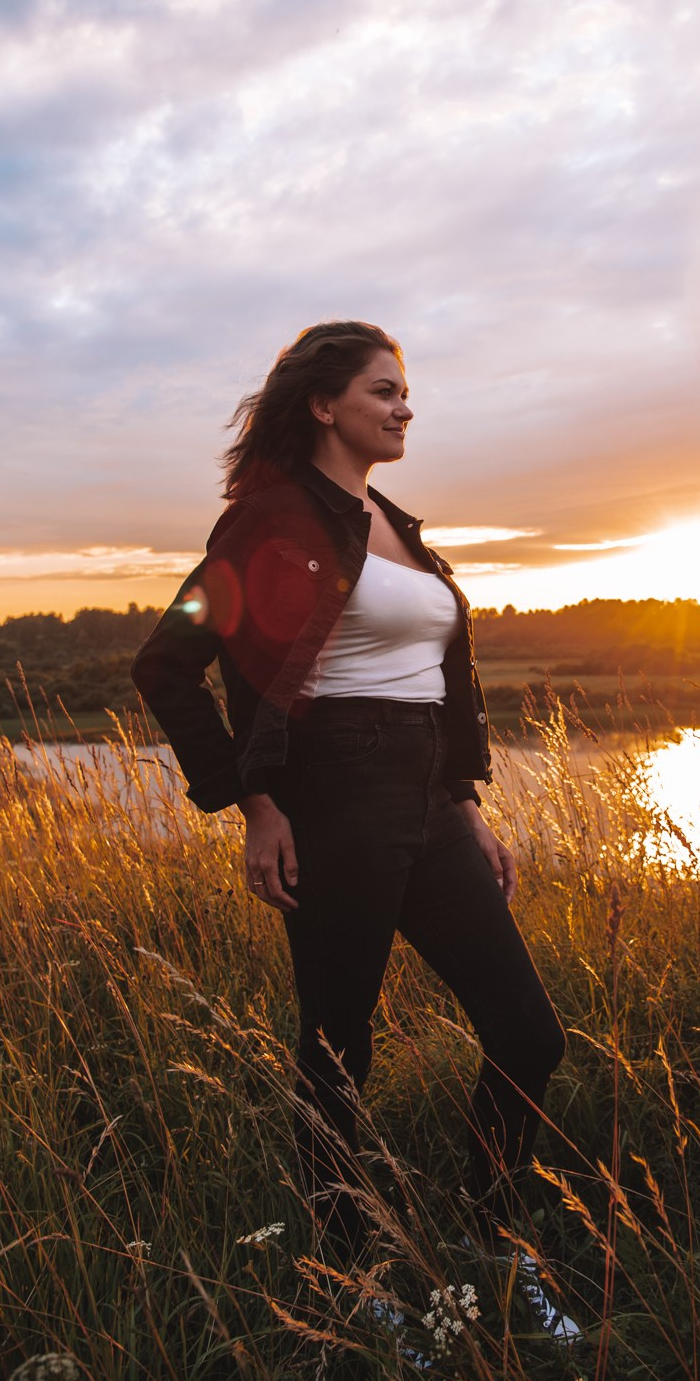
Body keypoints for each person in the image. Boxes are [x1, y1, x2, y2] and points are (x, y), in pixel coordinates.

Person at [131, 321, 576, 1346]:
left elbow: (437, 680)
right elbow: (167, 664)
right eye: (384, 389)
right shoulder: (272, 521)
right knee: (339, 1052)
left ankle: (492, 1247)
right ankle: (347, 1280)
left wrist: (466, 802)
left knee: (528, 1034)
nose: (405, 406)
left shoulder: (398, 525)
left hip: (430, 800)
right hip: (332, 795)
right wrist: (254, 802)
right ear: (325, 404)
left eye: (405, 390)